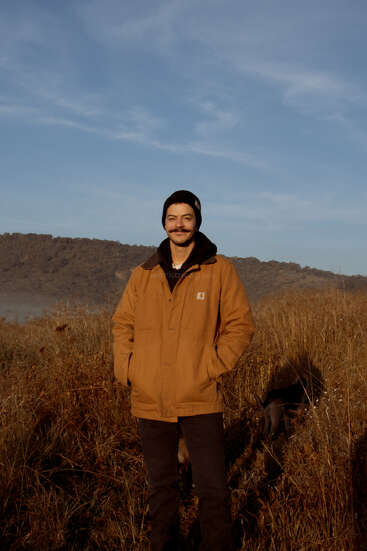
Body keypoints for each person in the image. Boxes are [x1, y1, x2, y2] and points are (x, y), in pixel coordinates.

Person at [112, 190, 254, 551]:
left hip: (200, 395)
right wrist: (129, 371)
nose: (179, 224)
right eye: (172, 217)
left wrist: (212, 366)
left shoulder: (220, 270)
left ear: (197, 222)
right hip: (150, 397)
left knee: (212, 489)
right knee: (161, 489)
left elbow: (240, 324)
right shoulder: (143, 274)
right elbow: (122, 324)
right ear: (164, 222)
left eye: (186, 217)